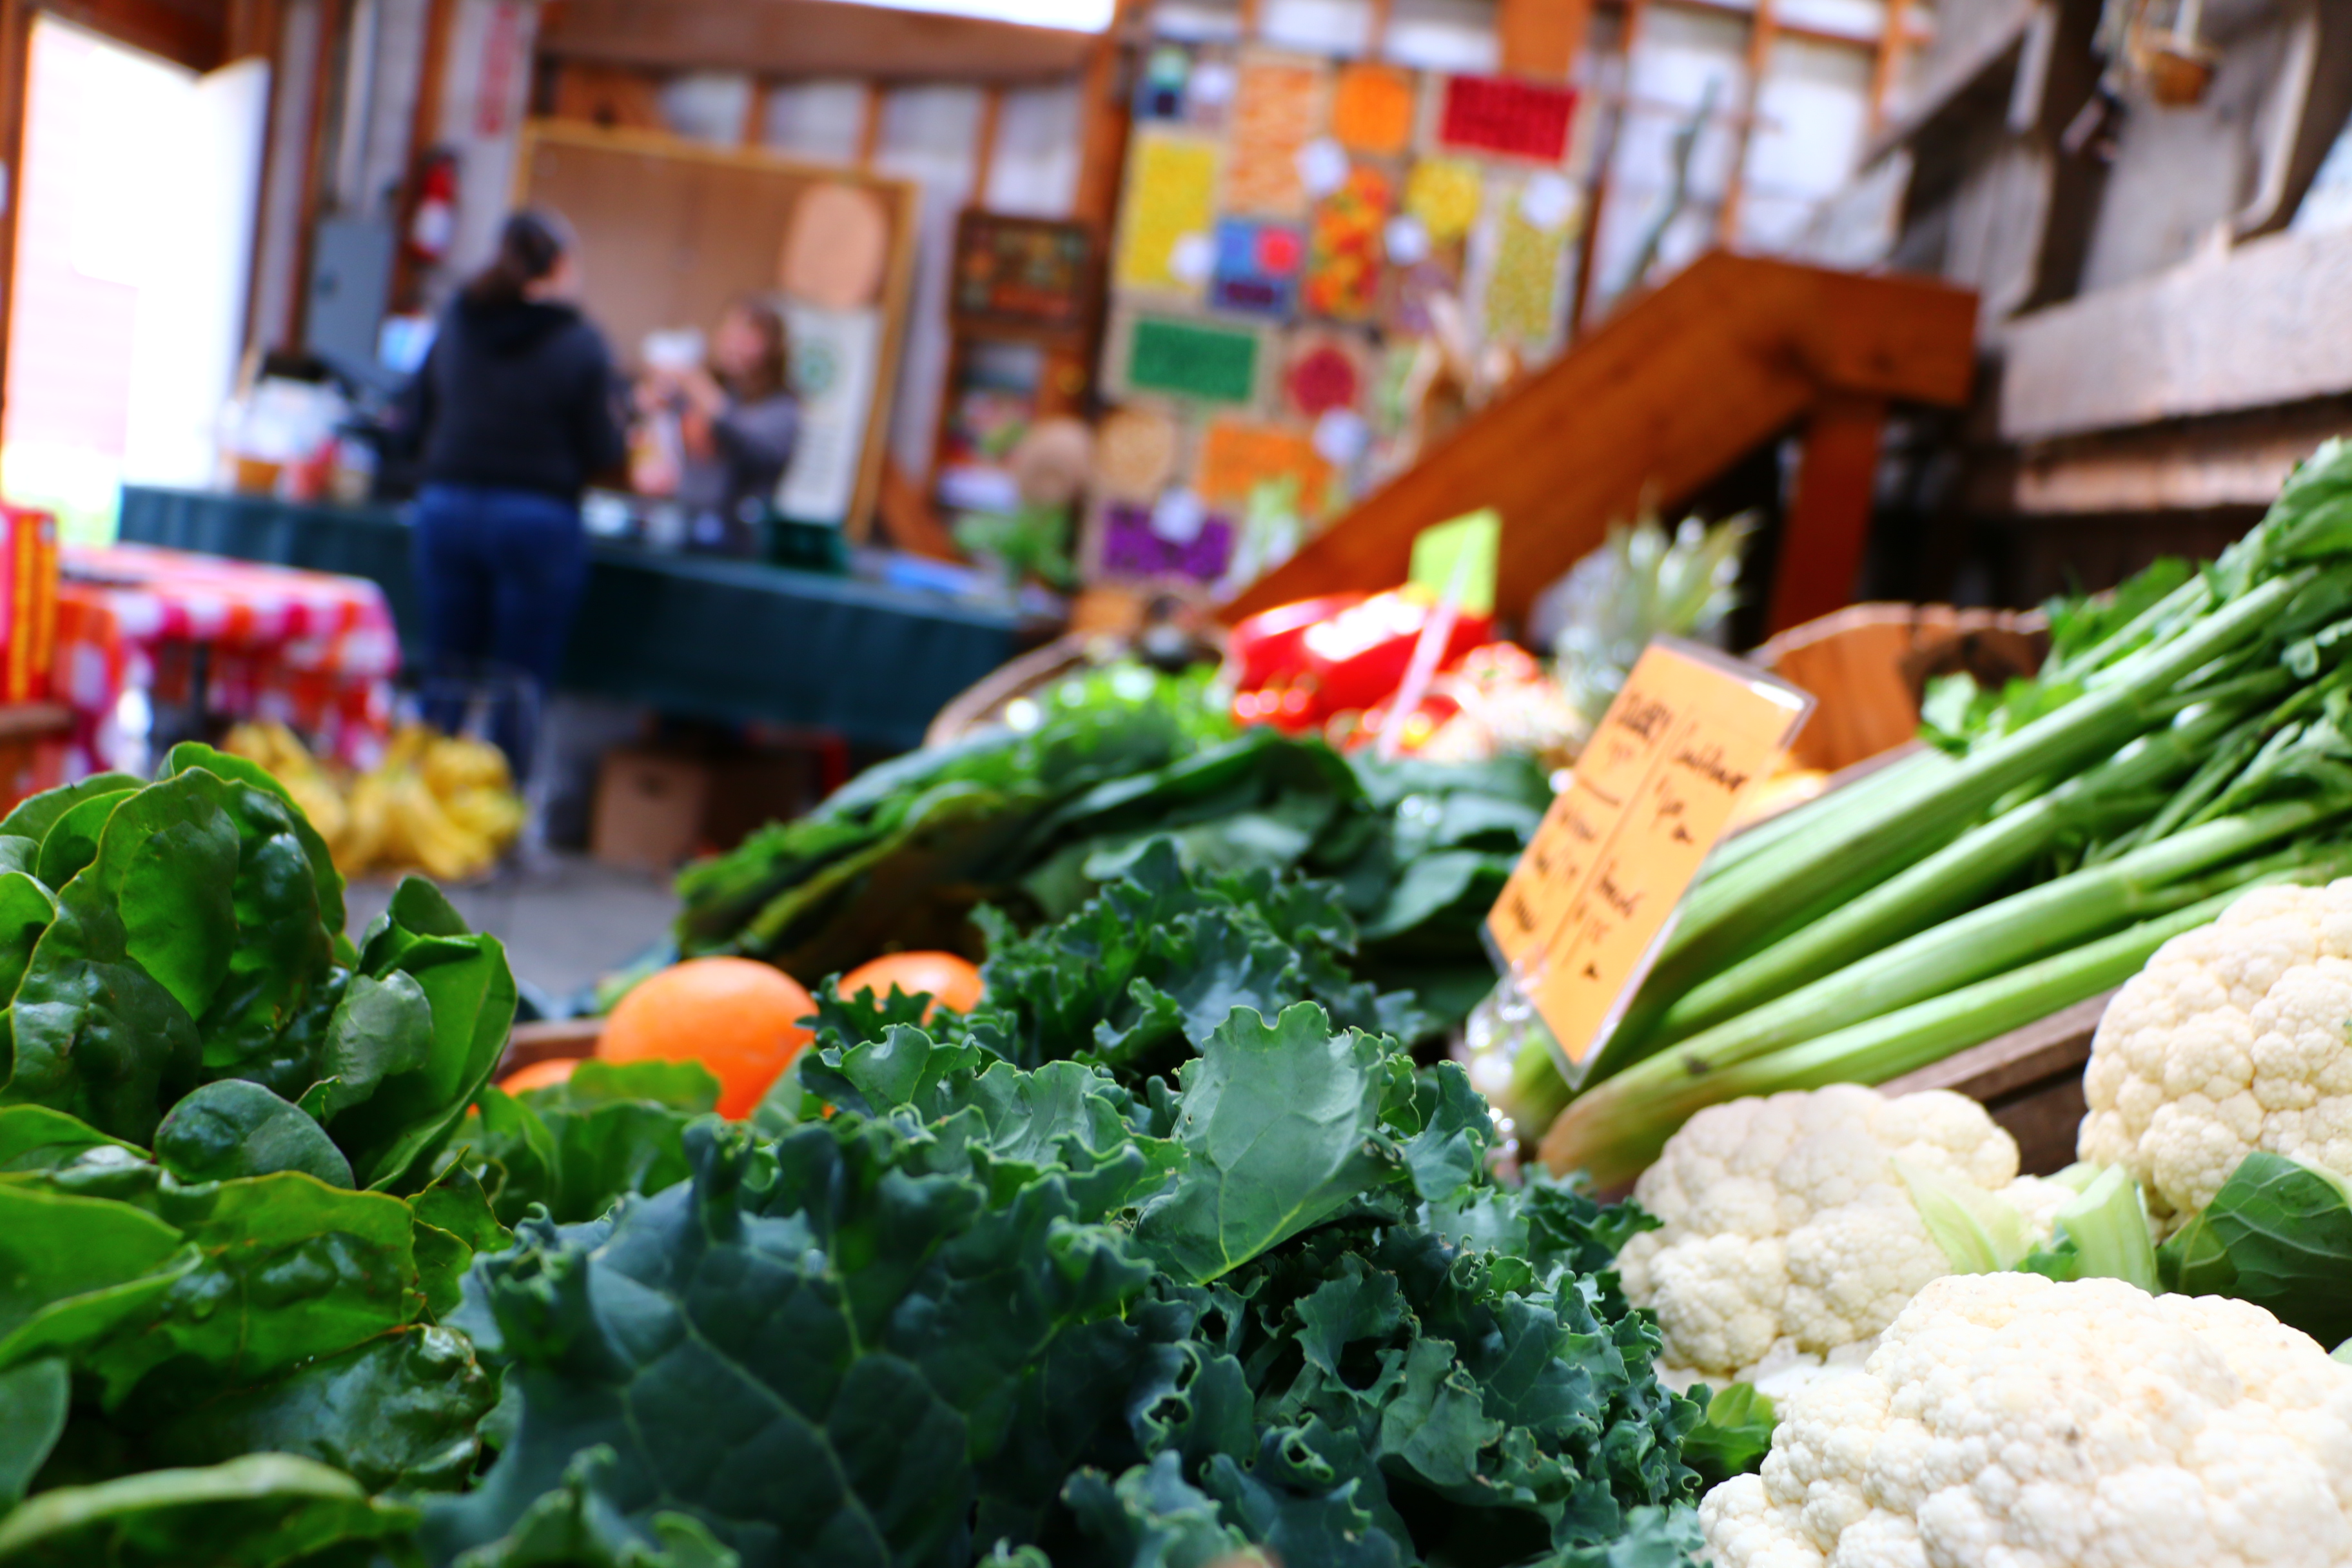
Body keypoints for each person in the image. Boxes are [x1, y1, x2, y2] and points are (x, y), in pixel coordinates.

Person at [397, 210, 624, 776]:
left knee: (446, 673)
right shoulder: (579, 341)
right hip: (534, 520)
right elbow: (606, 451)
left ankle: (423, 806)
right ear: (560, 267)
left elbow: (412, 416)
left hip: (446, 509)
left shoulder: (457, 321)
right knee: (518, 682)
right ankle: (497, 813)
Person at [634, 297, 799, 554]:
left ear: (772, 347)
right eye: (729, 332)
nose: (734, 343)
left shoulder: (782, 408)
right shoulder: (715, 390)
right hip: (683, 526)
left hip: (738, 540)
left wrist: (706, 397)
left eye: (747, 336)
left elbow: (754, 450)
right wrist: (650, 405)